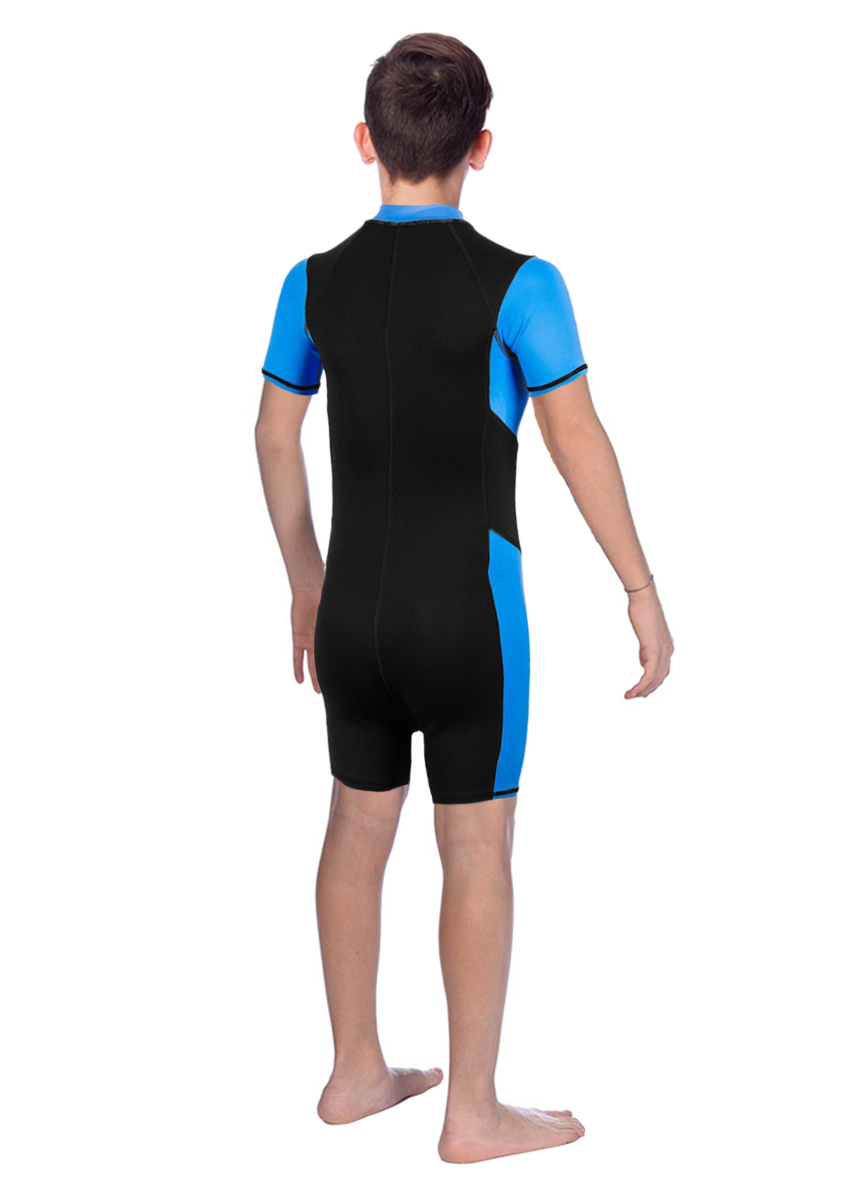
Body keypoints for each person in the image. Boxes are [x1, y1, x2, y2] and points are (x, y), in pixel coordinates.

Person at [255, 32, 673, 1164]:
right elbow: (575, 438)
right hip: (469, 617)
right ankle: (472, 1111)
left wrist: (305, 581)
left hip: (352, 613)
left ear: (364, 142)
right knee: (476, 844)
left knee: (354, 824)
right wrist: (638, 588)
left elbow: (274, 433)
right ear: (479, 148)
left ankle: (354, 1074)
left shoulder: (311, 282)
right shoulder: (521, 285)